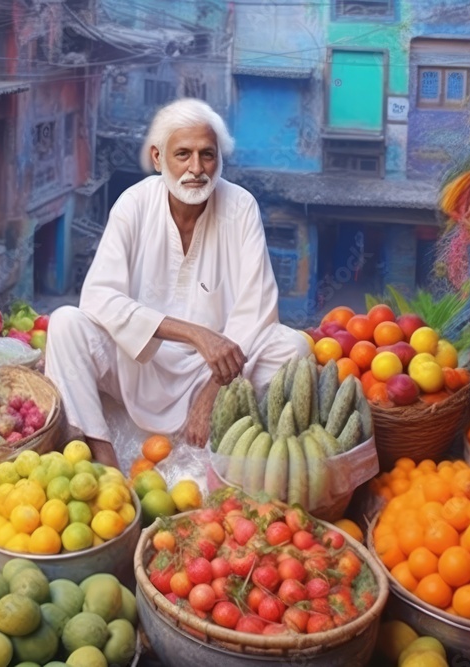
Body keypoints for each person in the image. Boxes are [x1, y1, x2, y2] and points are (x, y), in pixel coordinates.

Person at [44, 98, 308, 467]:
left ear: (219, 159)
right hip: (141, 363)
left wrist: (212, 393)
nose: (196, 168)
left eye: (207, 155)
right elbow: (99, 297)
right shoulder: (133, 203)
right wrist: (197, 334)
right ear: (157, 158)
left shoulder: (241, 206)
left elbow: (256, 309)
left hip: (213, 369)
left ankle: (236, 443)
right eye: (183, 154)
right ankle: (102, 455)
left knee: (293, 348)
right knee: (66, 324)